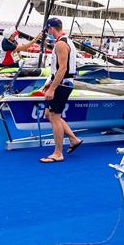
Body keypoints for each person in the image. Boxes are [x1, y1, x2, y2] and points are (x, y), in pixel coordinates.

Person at [39, 17, 82, 163]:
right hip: (62, 83)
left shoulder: (60, 45)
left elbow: (62, 68)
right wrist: (50, 83)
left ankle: (58, 153)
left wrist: (52, 88)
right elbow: (59, 68)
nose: (47, 33)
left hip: (62, 84)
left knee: (54, 117)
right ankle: (73, 139)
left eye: (47, 30)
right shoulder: (66, 41)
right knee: (50, 115)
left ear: (51, 28)